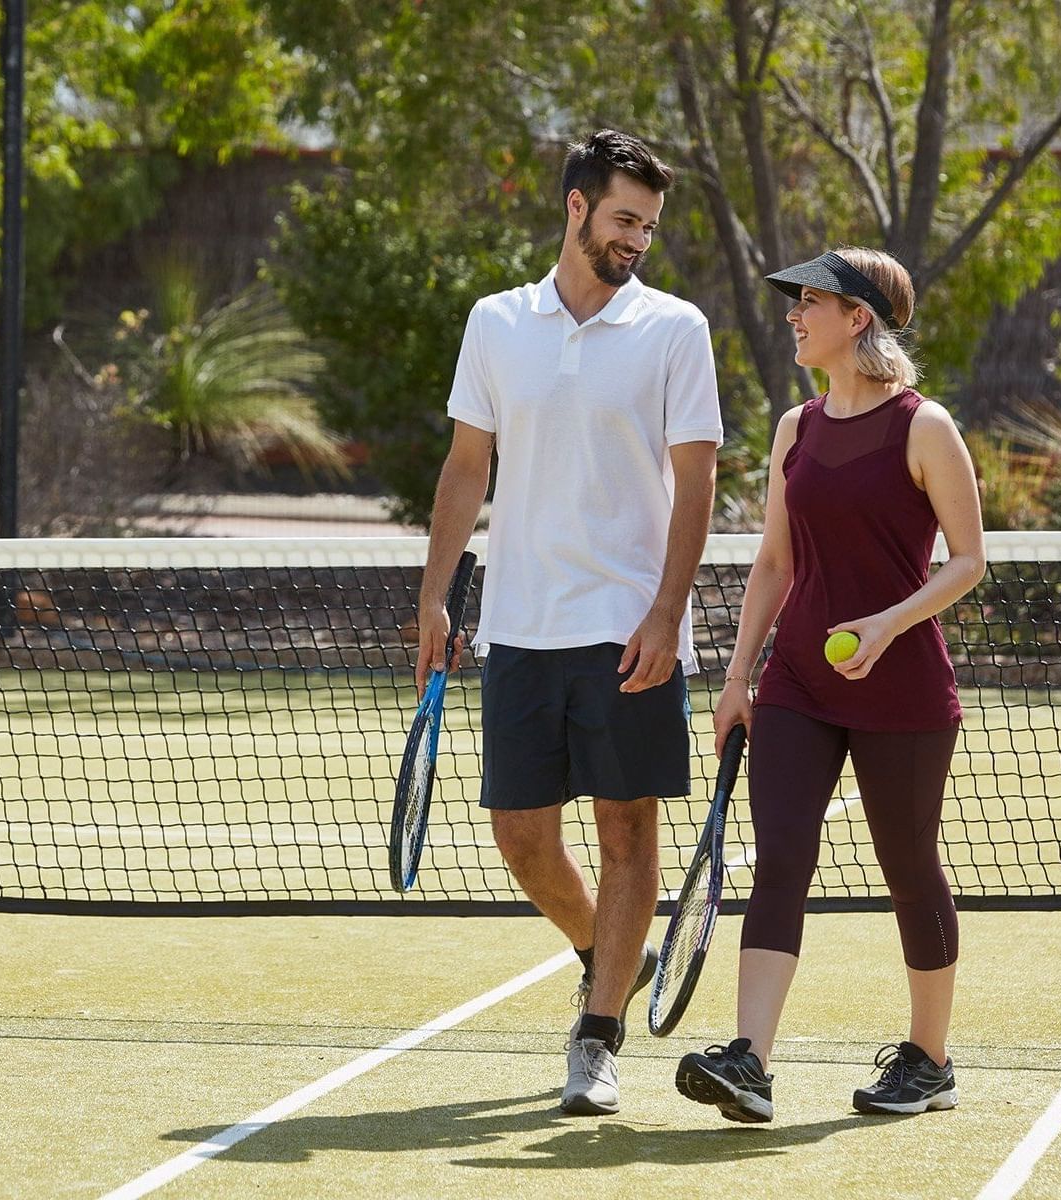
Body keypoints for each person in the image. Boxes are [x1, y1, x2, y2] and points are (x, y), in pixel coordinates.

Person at [415, 129, 723, 1116]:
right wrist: (433, 593)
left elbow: (697, 479)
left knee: (628, 835)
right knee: (519, 837)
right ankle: (608, 958)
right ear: (576, 207)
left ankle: (597, 1036)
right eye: (624, 218)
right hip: (517, 627)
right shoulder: (496, 323)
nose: (638, 238)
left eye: (650, 225)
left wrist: (668, 614)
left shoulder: (676, 330)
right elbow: (468, 466)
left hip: (629, 627)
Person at [672, 248, 986, 1123]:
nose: (793, 315)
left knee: (909, 869)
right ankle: (750, 1062)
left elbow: (968, 561)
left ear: (860, 318)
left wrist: (889, 624)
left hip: (904, 692)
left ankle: (929, 1062)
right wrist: (739, 677)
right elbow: (773, 560)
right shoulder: (794, 429)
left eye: (810, 301)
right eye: (794, 301)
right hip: (798, 684)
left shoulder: (926, 427)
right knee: (780, 859)